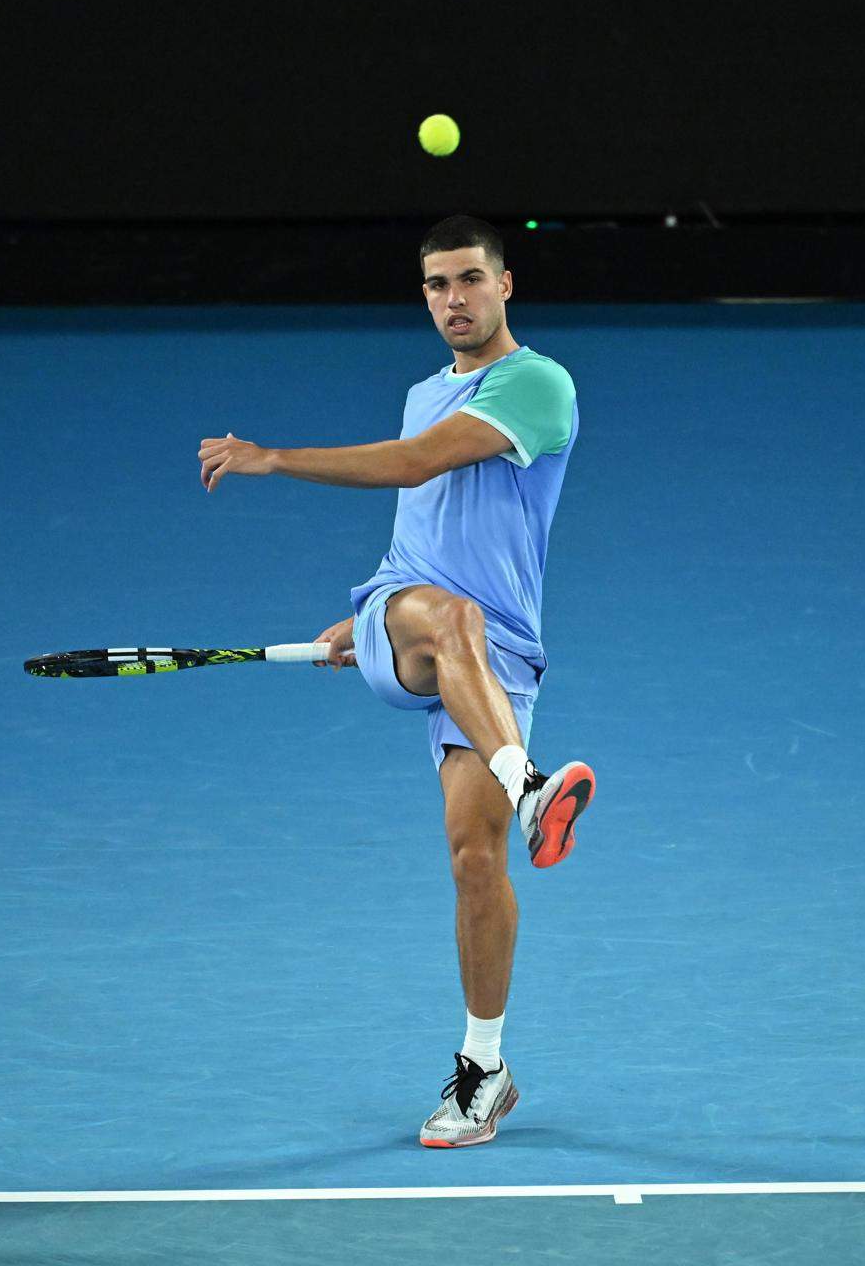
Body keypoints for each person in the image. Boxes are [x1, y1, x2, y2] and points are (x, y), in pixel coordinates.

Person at [197, 214, 593, 1148]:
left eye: (469, 280)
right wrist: (374, 612)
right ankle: (532, 788)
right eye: (436, 286)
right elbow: (420, 519)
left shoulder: (537, 384)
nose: (453, 300)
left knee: (474, 861)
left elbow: (419, 463)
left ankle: (484, 1070)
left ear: (506, 285)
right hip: (418, 623)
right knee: (444, 616)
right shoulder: (424, 391)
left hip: (498, 662)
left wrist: (276, 461)